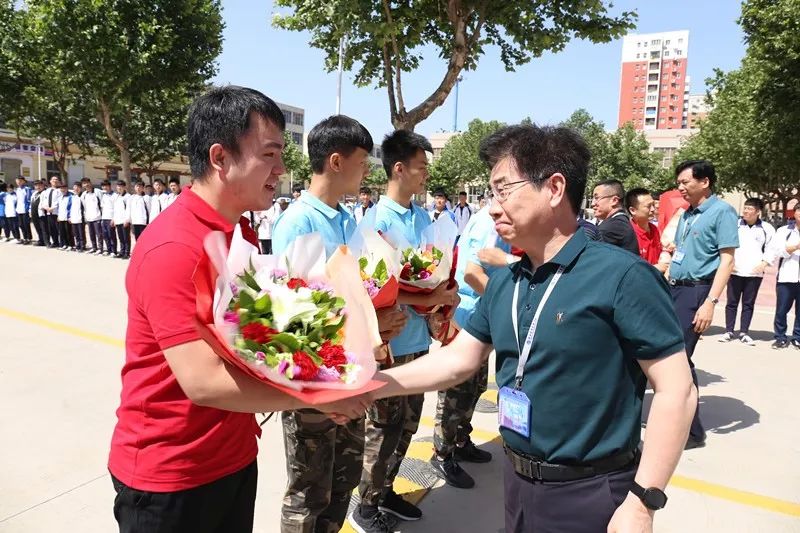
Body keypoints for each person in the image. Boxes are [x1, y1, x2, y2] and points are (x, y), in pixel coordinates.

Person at [372, 124, 696, 533]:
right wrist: (375, 383)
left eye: (503, 190)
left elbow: (677, 389)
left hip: (593, 492)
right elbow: (459, 360)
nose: (492, 207)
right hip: (519, 481)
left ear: (555, 188)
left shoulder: (622, 276)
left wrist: (643, 501)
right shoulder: (508, 280)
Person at [108, 86, 368, 533]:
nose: (281, 169)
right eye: (269, 154)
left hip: (231, 455)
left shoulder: (235, 234)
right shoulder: (175, 246)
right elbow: (204, 381)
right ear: (220, 157)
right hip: (173, 476)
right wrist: (319, 396)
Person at [271, 115, 407, 533]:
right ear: (335, 161)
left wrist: (376, 320)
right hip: (313, 379)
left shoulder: (348, 219)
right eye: (363, 161)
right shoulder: (298, 222)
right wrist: (369, 319)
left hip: (351, 372)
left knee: (343, 479)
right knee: (309, 491)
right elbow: (292, 314)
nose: (368, 170)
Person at [349, 130, 459, 533]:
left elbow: (426, 268)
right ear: (399, 168)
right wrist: (426, 296)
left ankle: (388, 490)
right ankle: (366, 505)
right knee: (382, 427)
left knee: (408, 424)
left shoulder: (421, 216)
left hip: (417, 340)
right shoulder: (376, 221)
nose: (426, 175)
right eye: (421, 167)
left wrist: (440, 294)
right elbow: (372, 287)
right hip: (390, 343)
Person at [430, 205, 512, 490]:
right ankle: (442, 452)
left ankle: (461, 440)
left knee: (475, 387)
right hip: (467, 317)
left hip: (482, 316)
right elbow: (472, 274)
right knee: (456, 392)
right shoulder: (488, 223)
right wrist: (507, 302)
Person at [669, 159, 738, 450]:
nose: (681, 187)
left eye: (686, 182)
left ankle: (693, 432)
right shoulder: (687, 214)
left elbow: (728, 260)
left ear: (705, 182)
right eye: (680, 182)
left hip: (697, 293)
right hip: (675, 290)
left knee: (679, 360)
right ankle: (681, 423)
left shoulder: (722, 211)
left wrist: (710, 302)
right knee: (675, 358)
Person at [720, 198, 775, 346]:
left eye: (750, 209)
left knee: (748, 303)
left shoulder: (767, 228)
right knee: (731, 302)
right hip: (735, 270)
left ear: (758, 212)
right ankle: (729, 331)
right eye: (745, 208)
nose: (745, 211)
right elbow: (725, 243)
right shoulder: (735, 225)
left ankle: (744, 332)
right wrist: (729, 263)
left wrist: (764, 263)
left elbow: (772, 248)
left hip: (754, 273)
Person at [768, 208, 800, 349]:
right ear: (795, 213)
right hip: (787, 276)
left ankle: (797, 337)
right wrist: (795, 247)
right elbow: (778, 251)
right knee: (782, 309)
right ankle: (780, 337)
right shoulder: (784, 231)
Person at [591, 179, 639, 256]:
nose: (593, 204)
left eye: (596, 198)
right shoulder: (620, 222)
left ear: (614, 200)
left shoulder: (611, 227)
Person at [626, 187, 668, 272]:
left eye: (653, 205)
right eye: (648, 206)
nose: (653, 209)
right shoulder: (628, 233)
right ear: (633, 210)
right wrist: (656, 268)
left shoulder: (654, 229)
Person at [40, 175, 63, 248]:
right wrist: (46, 208)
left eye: (56, 179)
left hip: (57, 212)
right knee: (52, 229)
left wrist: (53, 207)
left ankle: (62, 243)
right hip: (49, 212)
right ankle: (55, 242)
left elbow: (60, 201)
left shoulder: (60, 191)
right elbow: (43, 201)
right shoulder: (46, 191)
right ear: (50, 181)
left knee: (59, 229)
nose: (55, 181)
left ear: (59, 181)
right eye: (53, 179)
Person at [81, 178, 103, 254]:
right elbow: (84, 206)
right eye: (84, 183)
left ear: (90, 183)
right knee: (91, 233)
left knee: (99, 234)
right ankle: (94, 247)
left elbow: (102, 204)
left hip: (97, 217)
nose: (86, 184)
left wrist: (101, 215)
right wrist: (86, 216)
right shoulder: (84, 194)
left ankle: (101, 248)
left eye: (87, 182)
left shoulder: (97, 192)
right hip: (89, 217)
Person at [112, 180, 131, 259]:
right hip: (118, 220)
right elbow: (115, 209)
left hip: (124, 221)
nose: (119, 188)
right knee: (120, 237)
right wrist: (114, 219)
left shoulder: (128, 196)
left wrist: (127, 220)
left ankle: (127, 252)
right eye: (118, 186)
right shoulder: (116, 196)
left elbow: (129, 209)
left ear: (124, 187)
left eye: (121, 186)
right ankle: (122, 251)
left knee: (126, 237)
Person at [100, 180, 117, 256]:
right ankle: (108, 249)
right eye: (103, 186)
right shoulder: (104, 195)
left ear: (109, 186)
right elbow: (102, 208)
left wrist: (114, 219)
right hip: (104, 218)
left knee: (111, 235)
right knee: (105, 235)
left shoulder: (114, 195)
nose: (104, 187)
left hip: (111, 218)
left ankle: (114, 251)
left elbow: (116, 208)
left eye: (106, 186)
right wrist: (102, 219)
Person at [15, 176, 33, 244]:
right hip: (19, 210)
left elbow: (29, 200)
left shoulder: (27, 189)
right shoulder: (17, 190)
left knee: (26, 224)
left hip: (25, 210)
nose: (18, 182)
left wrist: (29, 209)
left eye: (20, 181)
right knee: (21, 225)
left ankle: (29, 238)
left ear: (23, 181)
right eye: (17, 181)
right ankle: (25, 237)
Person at [56, 183, 74, 249]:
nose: (63, 189)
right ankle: (64, 244)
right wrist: (58, 216)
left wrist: (70, 216)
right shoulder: (60, 197)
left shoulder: (71, 196)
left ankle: (70, 245)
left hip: (68, 217)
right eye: (61, 188)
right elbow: (59, 207)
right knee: (62, 232)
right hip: (61, 217)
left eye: (64, 188)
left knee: (68, 232)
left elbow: (71, 207)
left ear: (67, 188)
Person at [69, 182, 86, 251]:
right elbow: (71, 208)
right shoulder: (73, 196)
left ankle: (82, 245)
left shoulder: (83, 196)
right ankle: (77, 245)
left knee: (81, 232)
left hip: (81, 217)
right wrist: (70, 217)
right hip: (74, 217)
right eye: (74, 187)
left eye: (77, 187)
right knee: (75, 233)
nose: (76, 189)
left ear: (80, 188)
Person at [30, 180, 46, 246]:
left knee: (43, 228)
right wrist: (30, 211)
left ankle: (45, 241)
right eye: (36, 185)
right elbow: (31, 203)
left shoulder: (45, 192)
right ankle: (40, 240)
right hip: (34, 213)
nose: (38, 187)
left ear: (43, 185)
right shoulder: (34, 193)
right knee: (37, 227)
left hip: (41, 213)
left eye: (39, 185)